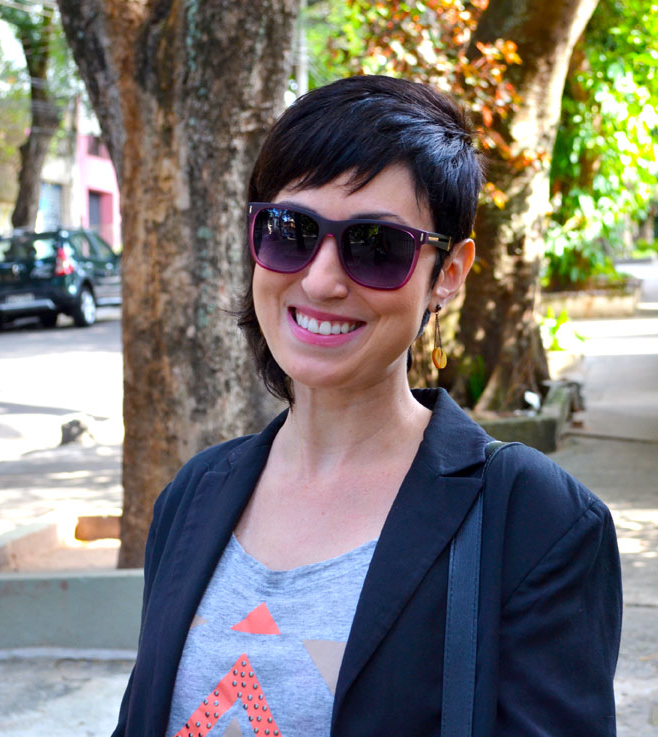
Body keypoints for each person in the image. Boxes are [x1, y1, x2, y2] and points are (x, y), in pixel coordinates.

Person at [112, 75, 622, 737]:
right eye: (292, 231)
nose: (322, 279)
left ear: (448, 275)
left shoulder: (537, 521)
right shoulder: (193, 496)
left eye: (376, 246)